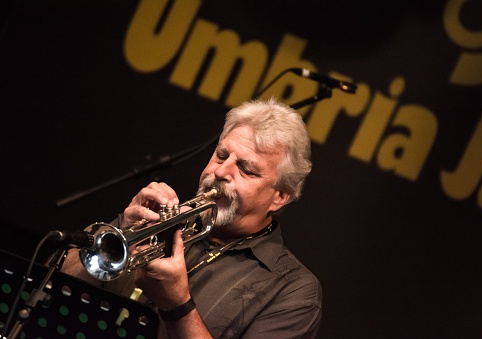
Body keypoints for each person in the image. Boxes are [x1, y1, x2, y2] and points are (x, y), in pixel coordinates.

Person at [60, 98, 322, 338]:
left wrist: (177, 306)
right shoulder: (156, 218)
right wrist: (121, 231)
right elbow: (54, 286)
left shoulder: (293, 290)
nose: (221, 171)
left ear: (280, 197)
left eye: (246, 169)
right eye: (221, 155)